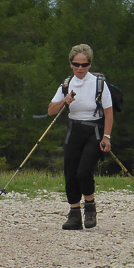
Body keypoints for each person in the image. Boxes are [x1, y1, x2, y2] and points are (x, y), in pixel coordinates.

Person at [48, 44, 113, 230]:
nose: (80, 68)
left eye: (84, 65)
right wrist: (64, 100)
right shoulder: (66, 84)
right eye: (76, 64)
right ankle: (74, 214)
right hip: (74, 129)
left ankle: (90, 207)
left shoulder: (99, 84)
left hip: (94, 130)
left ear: (90, 64)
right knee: (70, 173)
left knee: (84, 172)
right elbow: (51, 110)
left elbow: (108, 112)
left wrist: (106, 137)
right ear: (70, 64)